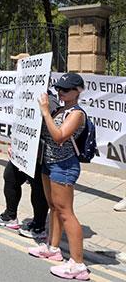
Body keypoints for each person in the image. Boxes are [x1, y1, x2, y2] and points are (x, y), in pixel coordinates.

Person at [27, 73, 89, 280]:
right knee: (53, 207)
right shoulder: (61, 108)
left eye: (66, 90)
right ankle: (53, 248)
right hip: (49, 163)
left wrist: (45, 111)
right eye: (59, 89)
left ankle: (78, 264)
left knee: (66, 212)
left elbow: (59, 136)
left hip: (64, 166)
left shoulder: (77, 113)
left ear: (78, 91)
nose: (61, 93)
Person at [0, 53, 49, 239]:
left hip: (38, 150)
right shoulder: (22, 89)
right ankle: (10, 216)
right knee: (10, 177)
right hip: (21, 148)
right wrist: (15, 143)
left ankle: (39, 226)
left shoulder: (43, 92)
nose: (16, 67)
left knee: (38, 188)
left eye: (19, 64)